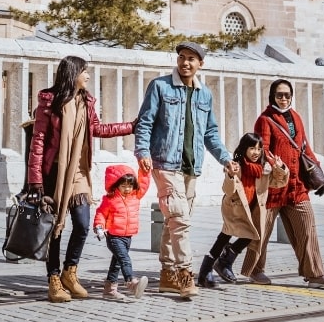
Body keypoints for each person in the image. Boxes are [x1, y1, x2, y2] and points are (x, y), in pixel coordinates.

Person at [134, 41, 238, 299]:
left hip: (191, 167)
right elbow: (145, 122)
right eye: (182, 57)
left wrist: (225, 159)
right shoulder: (160, 86)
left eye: (191, 58)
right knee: (180, 220)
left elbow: (210, 132)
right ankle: (184, 274)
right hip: (165, 163)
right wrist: (143, 153)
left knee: (174, 222)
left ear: (200, 63)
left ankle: (167, 274)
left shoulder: (205, 95)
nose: (185, 62)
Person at [27, 55, 136, 303]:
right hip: (54, 172)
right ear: (73, 73)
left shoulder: (86, 101)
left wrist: (131, 126)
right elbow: (38, 141)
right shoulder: (49, 101)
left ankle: (70, 272)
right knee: (54, 227)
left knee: (83, 224)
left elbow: (97, 129)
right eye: (84, 72)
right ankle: (53, 278)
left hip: (79, 172)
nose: (88, 76)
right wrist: (36, 179)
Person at [250, 77, 324, 289]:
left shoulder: (296, 118)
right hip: (274, 185)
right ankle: (255, 269)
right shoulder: (265, 119)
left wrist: (319, 175)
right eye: (279, 95)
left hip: (297, 186)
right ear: (272, 96)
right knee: (262, 232)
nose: (283, 99)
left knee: (307, 227)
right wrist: (276, 165)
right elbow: (262, 150)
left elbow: (304, 148)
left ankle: (315, 274)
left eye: (287, 95)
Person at [197, 131, 280, 287]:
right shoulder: (236, 166)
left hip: (250, 210)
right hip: (234, 209)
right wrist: (230, 175)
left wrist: (278, 166)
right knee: (227, 237)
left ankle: (212, 267)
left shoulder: (263, 169)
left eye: (259, 149)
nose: (256, 152)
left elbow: (279, 182)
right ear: (244, 149)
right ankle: (215, 266)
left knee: (241, 236)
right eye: (252, 148)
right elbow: (228, 190)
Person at [92, 163, 151, 302]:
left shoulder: (135, 196)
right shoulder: (110, 199)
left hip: (127, 237)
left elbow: (144, 184)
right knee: (124, 259)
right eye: (123, 186)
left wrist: (145, 171)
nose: (127, 189)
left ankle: (109, 289)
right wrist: (99, 226)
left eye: (130, 186)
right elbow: (100, 213)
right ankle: (131, 283)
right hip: (114, 237)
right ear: (115, 184)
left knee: (117, 263)